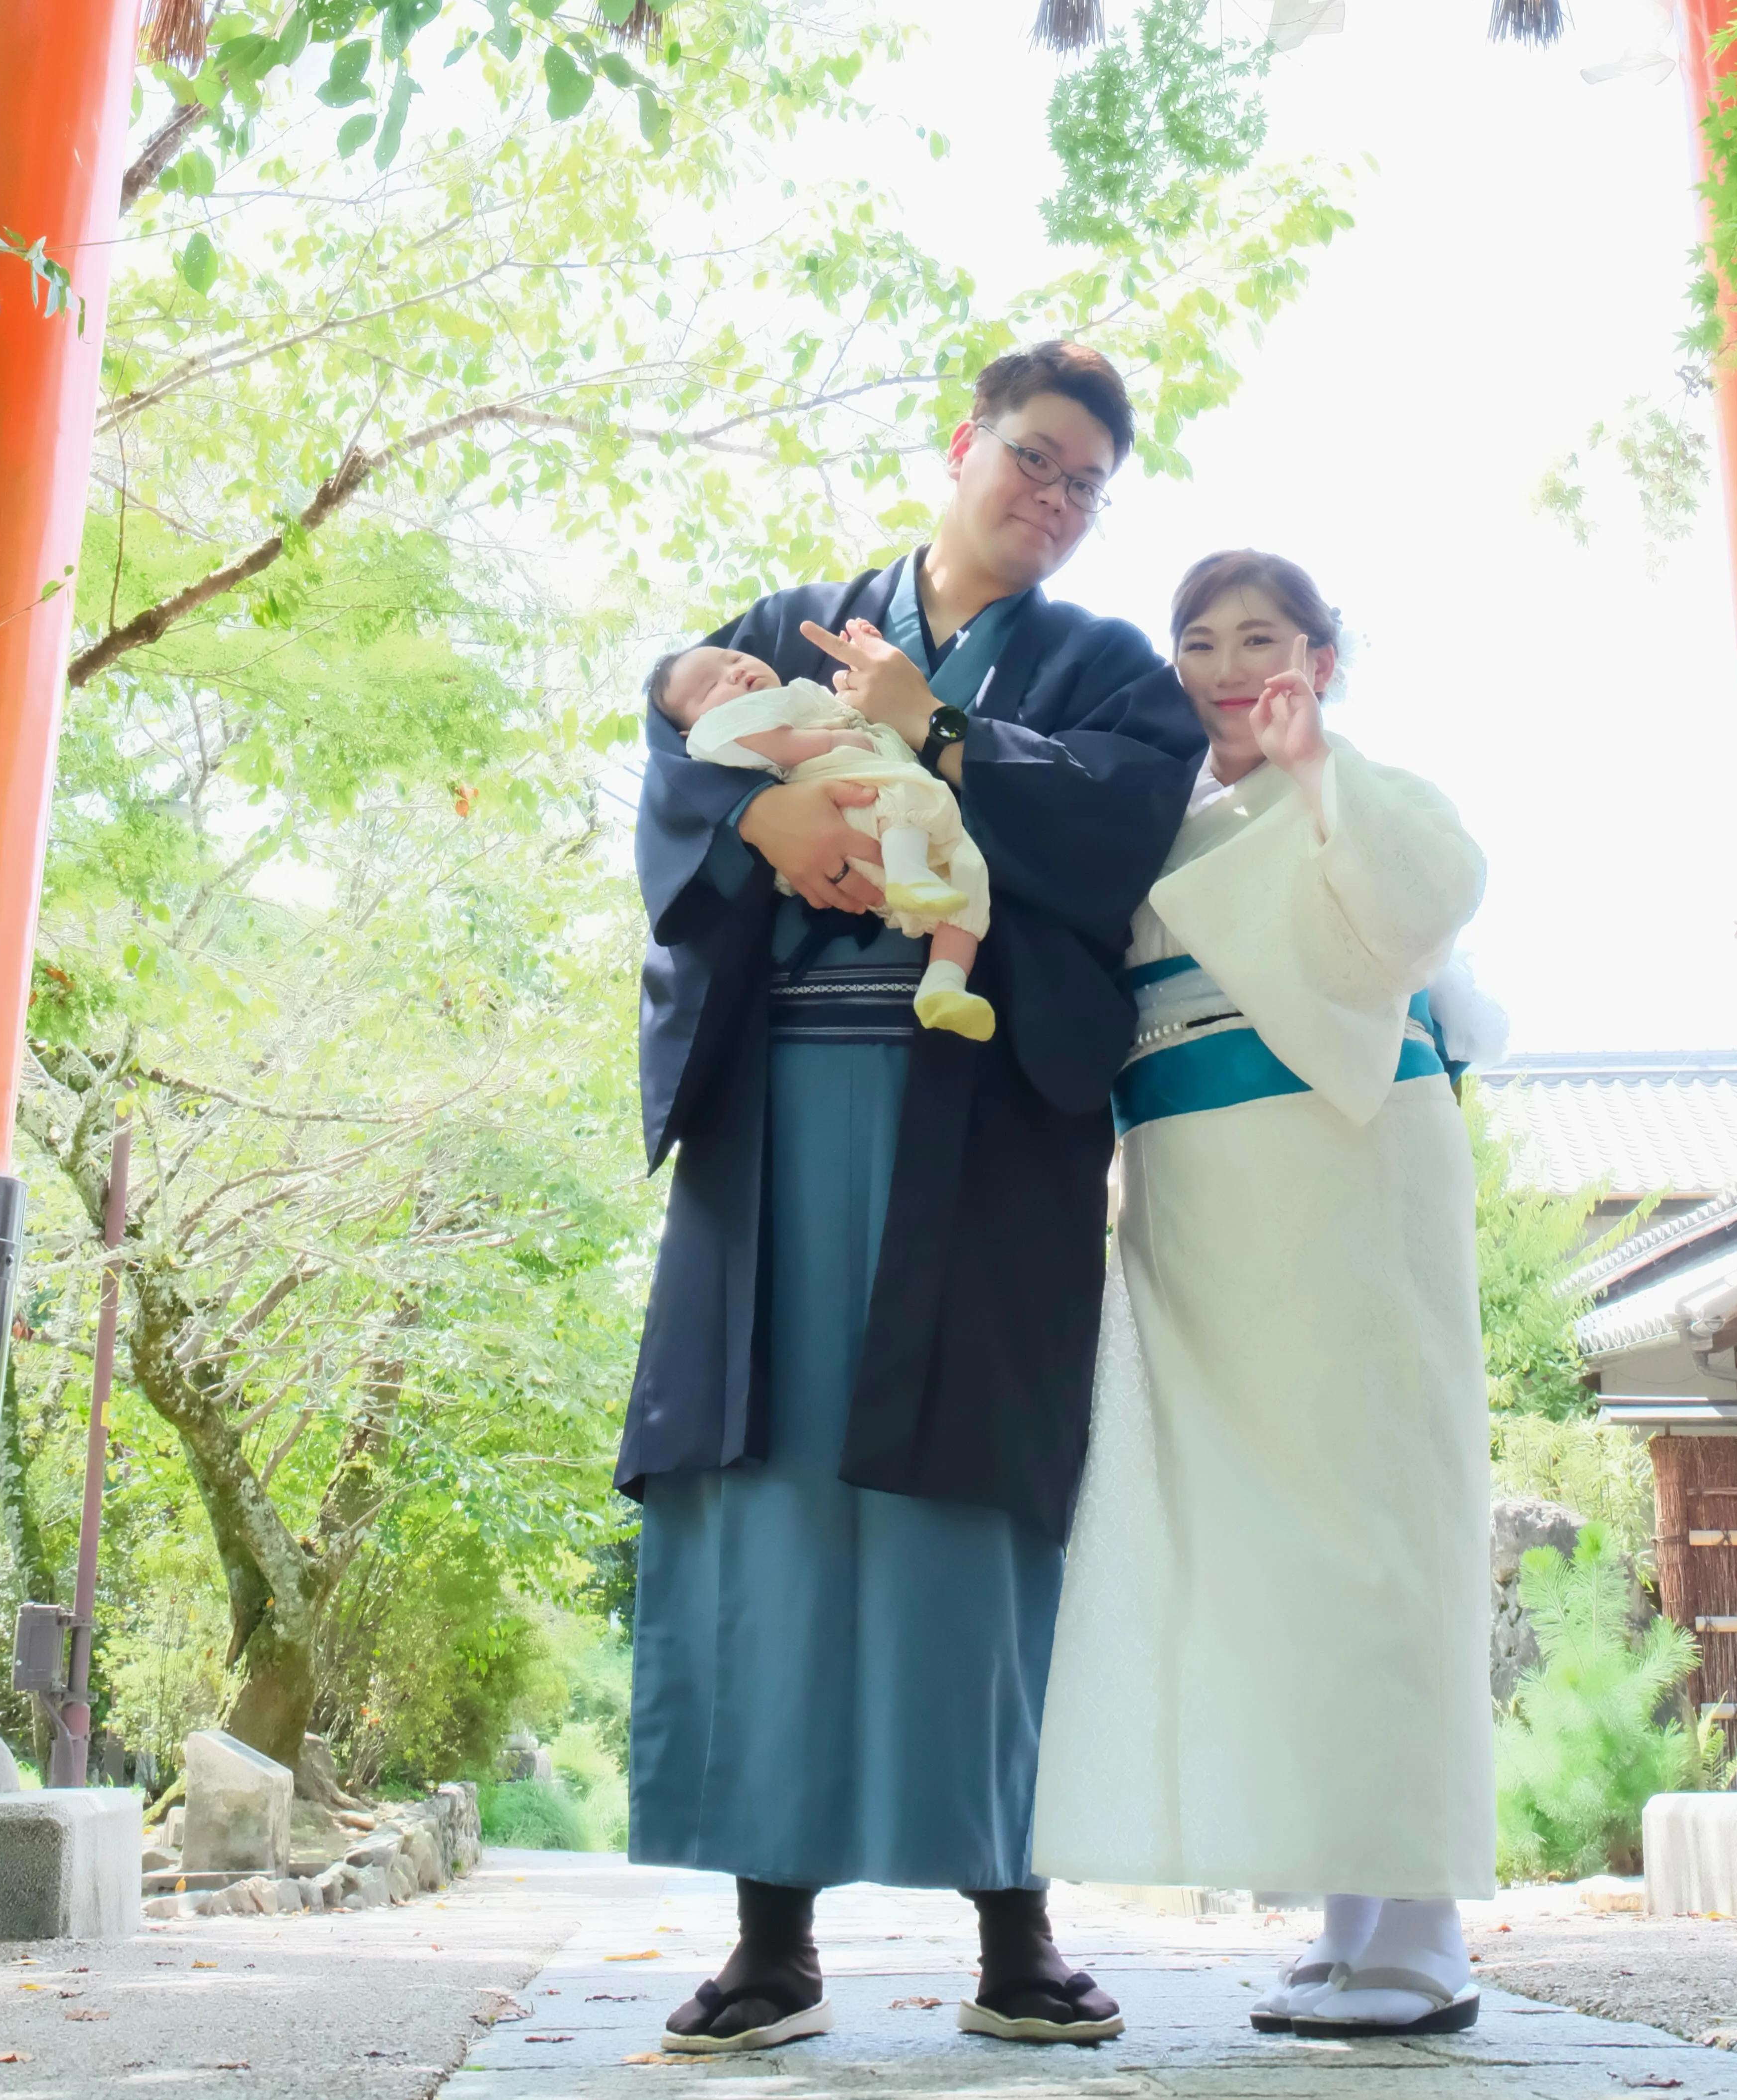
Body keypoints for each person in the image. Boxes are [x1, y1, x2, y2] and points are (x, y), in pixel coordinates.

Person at [615, 342, 1203, 2053]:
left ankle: (1014, 1922)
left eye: (1090, 481)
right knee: (765, 1480)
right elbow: (687, 745)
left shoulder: (1106, 669)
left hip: (981, 1116)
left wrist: (933, 727)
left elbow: (1113, 832)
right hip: (782, 1107)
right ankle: (768, 1934)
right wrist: (766, 822)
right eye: (1036, 456)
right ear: (963, 445)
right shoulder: (803, 611)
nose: (1057, 496)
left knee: (980, 1491)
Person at [1031, 548, 1500, 2038]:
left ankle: (1420, 1932)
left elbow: (1428, 904)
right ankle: (1346, 1912)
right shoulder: (1155, 823)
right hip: (1195, 1191)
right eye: (1201, 643)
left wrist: (1316, 775)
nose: (1232, 668)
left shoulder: (1362, 790)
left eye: (1263, 638)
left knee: (1373, 1516)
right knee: (1262, 1537)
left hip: (1347, 1171)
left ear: (1320, 654)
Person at [656, 639, 995, 1036]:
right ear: (688, 729)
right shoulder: (730, 724)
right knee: (907, 796)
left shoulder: (803, 695)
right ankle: (909, 873)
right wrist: (833, 741)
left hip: (884, 832)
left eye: (733, 658)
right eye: (709, 686)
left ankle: (944, 984)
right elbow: (767, 743)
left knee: (968, 872)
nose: (732, 671)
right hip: (843, 803)